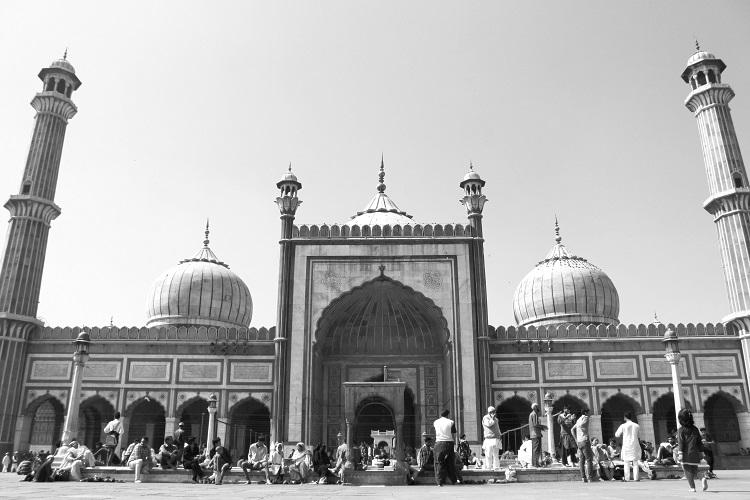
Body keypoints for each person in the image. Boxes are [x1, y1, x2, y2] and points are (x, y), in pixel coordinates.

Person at [677, 408, 708, 493]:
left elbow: (681, 442)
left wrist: (680, 454)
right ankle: (702, 478)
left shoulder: (681, 430)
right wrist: (702, 452)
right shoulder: (695, 429)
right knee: (694, 468)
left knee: (687, 470)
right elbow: (699, 442)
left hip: (686, 453)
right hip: (695, 453)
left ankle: (692, 487)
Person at [433, 409, 460, 486]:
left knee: (438, 462)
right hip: (449, 442)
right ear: (448, 415)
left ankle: (439, 482)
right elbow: (454, 433)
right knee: (450, 462)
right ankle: (454, 480)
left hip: (438, 443)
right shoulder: (451, 422)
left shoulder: (435, 422)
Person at [615, 411, 641, 481]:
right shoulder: (636, 425)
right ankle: (636, 478)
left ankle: (627, 478)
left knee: (626, 462)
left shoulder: (623, 426)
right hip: (635, 444)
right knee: (635, 462)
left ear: (625, 417)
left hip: (627, 445)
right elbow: (639, 435)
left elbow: (617, 435)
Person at [571, 408, 595, 482]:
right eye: (589, 412)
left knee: (581, 460)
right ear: (585, 413)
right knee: (589, 459)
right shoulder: (586, 418)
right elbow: (582, 425)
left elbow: (572, 429)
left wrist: (576, 439)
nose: (590, 413)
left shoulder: (578, 420)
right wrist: (585, 433)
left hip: (579, 442)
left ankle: (583, 477)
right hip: (585, 440)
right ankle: (590, 477)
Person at [481, 406, 501, 471]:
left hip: (496, 439)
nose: (494, 413)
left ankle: (496, 467)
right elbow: (489, 424)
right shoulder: (486, 418)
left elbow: (497, 428)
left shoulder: (496, 419)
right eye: (492, 412)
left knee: (496, 454)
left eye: (494, 412)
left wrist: (499, 434)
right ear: (489, 412)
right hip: (489, 439)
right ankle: (488, 467)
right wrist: (492, 418)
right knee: (488, 454)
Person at [528, 403, 547, 467]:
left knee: (534, 449)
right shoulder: (534, 414)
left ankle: (534, 463)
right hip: (536, 434)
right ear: (535, 407)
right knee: (536, 449)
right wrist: (543, 427)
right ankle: (536, 464)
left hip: (533, 434)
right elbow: (535, 424)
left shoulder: (532, 414)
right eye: (537, 406)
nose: (538, 408)